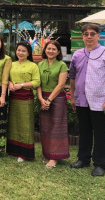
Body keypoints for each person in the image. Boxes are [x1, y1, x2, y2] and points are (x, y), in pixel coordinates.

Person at [69, 23, 105, 176]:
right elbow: (72, 78)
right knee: (84, 131)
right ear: (82, 36)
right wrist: (73, 97)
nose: (89, 36)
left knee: (100, 132)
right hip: (81, 100)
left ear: (98, 36)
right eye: (86, 34)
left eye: (92, 33)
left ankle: (99, 163)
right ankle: (83, 158)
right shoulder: (77, 54)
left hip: (99, 101)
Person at [36, 40, 69, 169]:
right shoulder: (40, 64)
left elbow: (61, 85)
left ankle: (54, 157)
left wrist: (49, 100)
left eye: (54, 49)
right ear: (45, 50)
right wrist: (40, 98)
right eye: (48, 49)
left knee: (56, 128)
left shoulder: (62, 65)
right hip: (42, 98)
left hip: (57, 99)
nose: (50, 51)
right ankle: (47, 153)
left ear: (58, 52)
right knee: (45, 127)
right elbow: (37, 83)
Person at [7, 41, 40, 162]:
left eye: (23, 51)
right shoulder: (12, 64)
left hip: (25, 98)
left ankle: (24, 153)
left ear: (28, 53)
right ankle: (13, 150)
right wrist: (10, 83)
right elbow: (7, 78)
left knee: (25, 124)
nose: (20, 53)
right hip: (13, 97)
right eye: (19, 50)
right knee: (13, 123)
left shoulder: (33, 66)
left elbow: (36, 82)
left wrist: (21, 85)